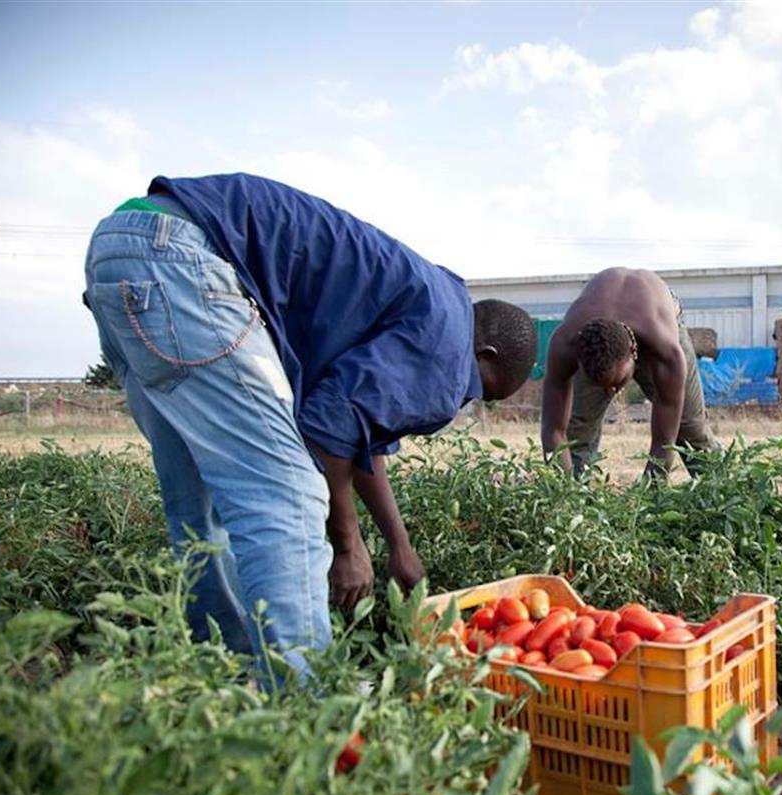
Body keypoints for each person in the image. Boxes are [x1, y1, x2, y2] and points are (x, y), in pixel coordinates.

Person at [82, 173, 536, 675]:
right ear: (483, 354)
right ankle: (304, 706)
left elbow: (358, 430)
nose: (461, 400)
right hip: (184, 261)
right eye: (477, 389)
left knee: (200, 503)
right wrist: (349, 545)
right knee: (290, 494)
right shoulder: (448, 350)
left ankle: (227, 680)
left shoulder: (433, 305)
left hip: (124, 245)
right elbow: (328, 431)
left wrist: (399, 547)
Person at [540, 266, 718, 480]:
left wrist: (651, 495)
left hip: (659, 311)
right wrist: (561, 492)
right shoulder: (566, 344)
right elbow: (553, 431)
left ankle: (723, 493)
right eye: (600, 384)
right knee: (577, 429)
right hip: (598, 319)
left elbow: (664, 442)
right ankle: (576, 496)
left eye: (618, 382)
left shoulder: (667, 352)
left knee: (689, 428)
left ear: (635, 353)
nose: (611, 392)